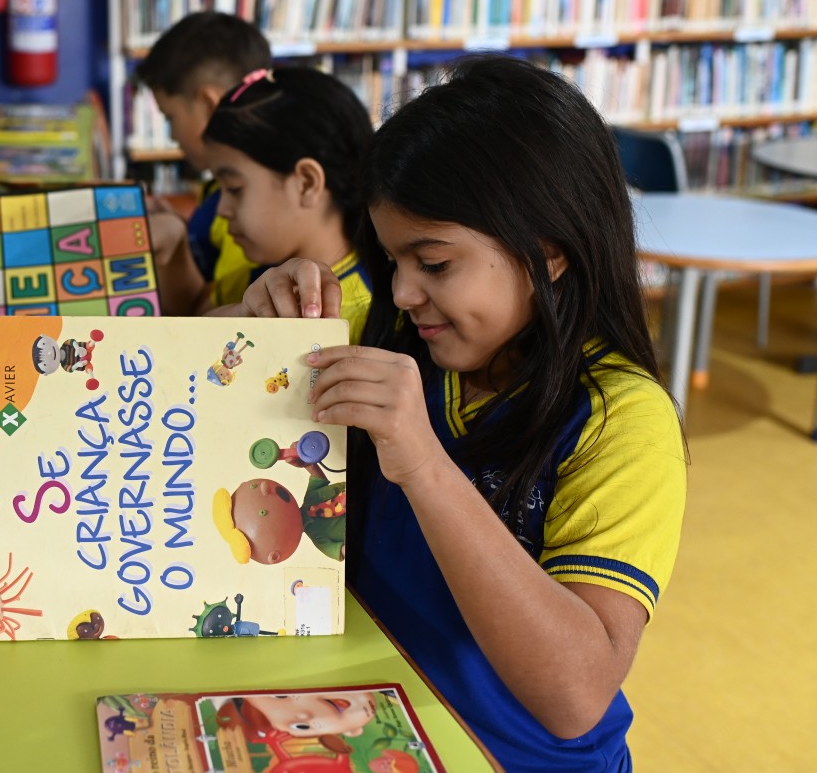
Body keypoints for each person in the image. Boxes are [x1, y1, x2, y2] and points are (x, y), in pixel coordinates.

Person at [221, 55, 688, 772]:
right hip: (371, 727)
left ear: (550, 251)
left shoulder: (621, 421)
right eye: (390, 259)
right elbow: (221, 363)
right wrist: (257, 323)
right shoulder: (385, 328)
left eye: (435, 264)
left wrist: (427, 467)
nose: (403, 291)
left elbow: (576, 693)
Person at [194, 66, 373, 342]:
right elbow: (191, 317)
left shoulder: (362, 313)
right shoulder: (261, 274)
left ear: (307, 183)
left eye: (234, 189)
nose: (221, 210)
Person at [135, 12, 270, 315]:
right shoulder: (213, 196)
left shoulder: (261, 218)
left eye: (170, 117)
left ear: (210, 103)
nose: (172, 136)